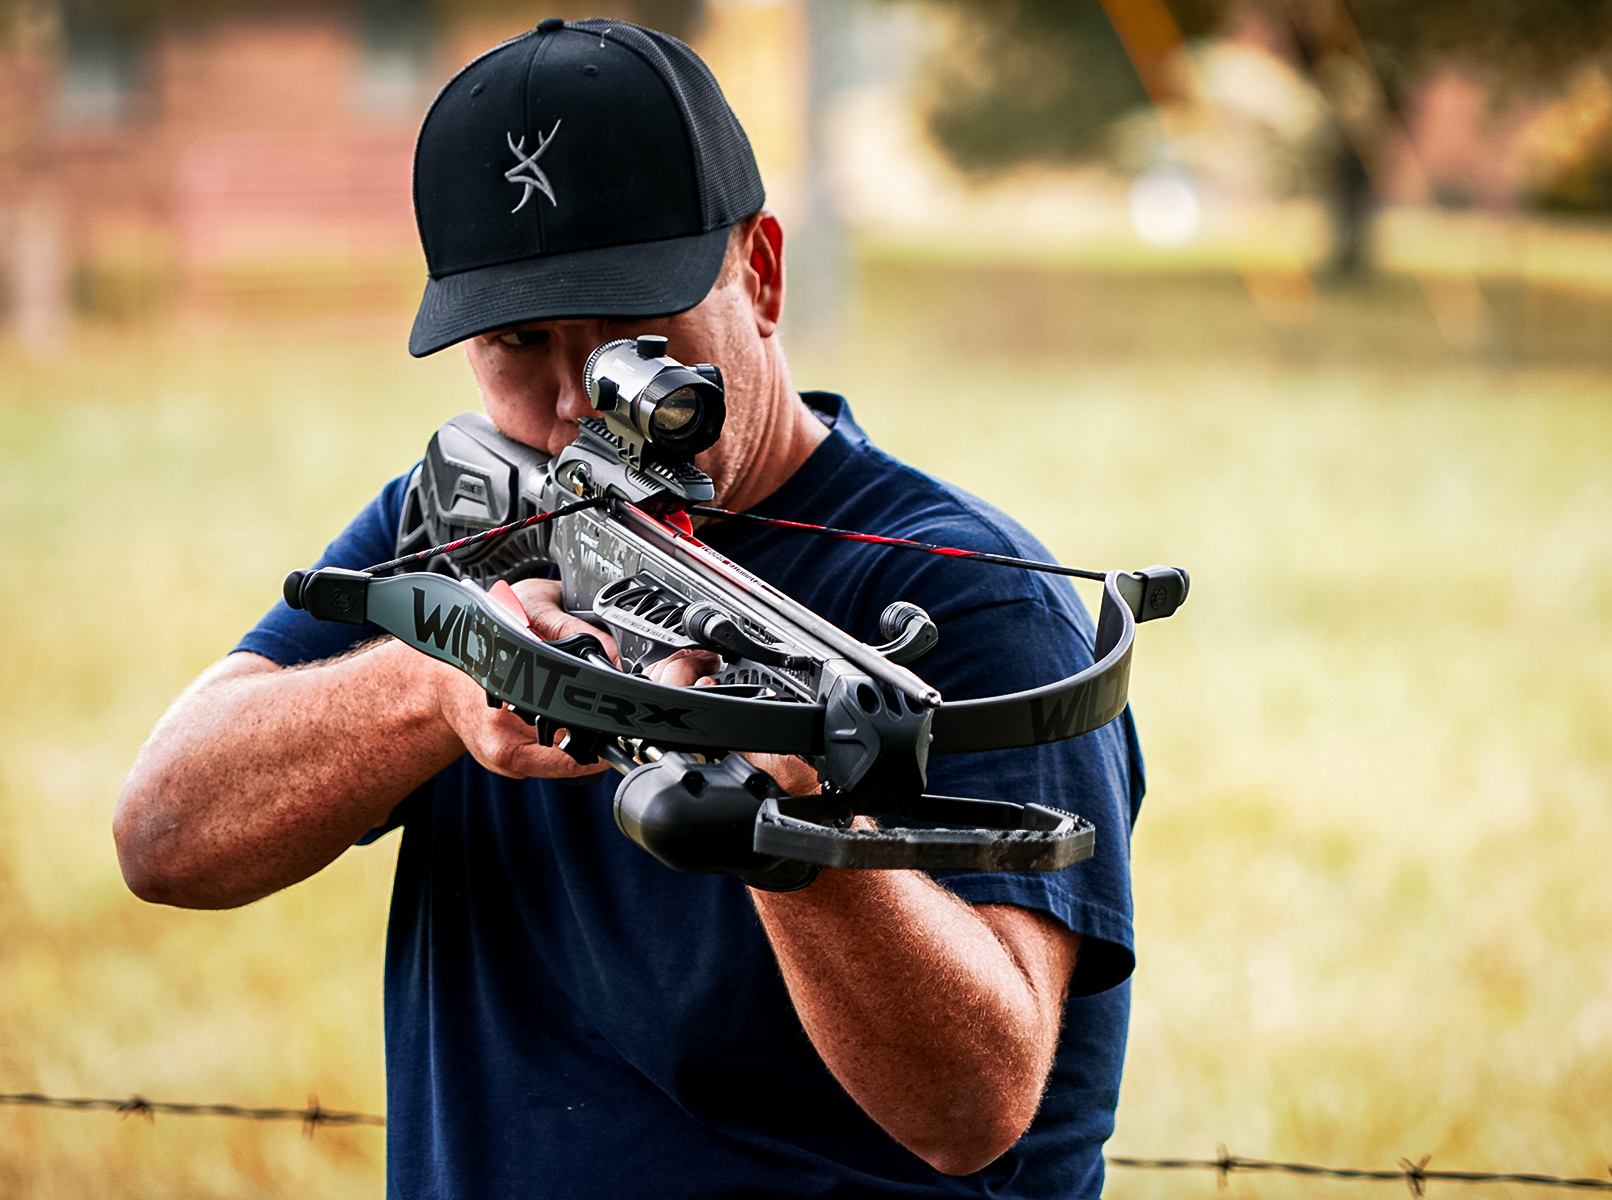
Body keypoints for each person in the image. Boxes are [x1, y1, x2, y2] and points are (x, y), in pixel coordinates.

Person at [114, 18, 1143, 1198]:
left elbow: (975, 1113)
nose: (571, 406)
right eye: (517, 345)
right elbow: (162, 838)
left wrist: (786, 831)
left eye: (632, 343)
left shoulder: (964, 593)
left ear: (758, 273)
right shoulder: (477, 517)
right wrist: (438, 680)